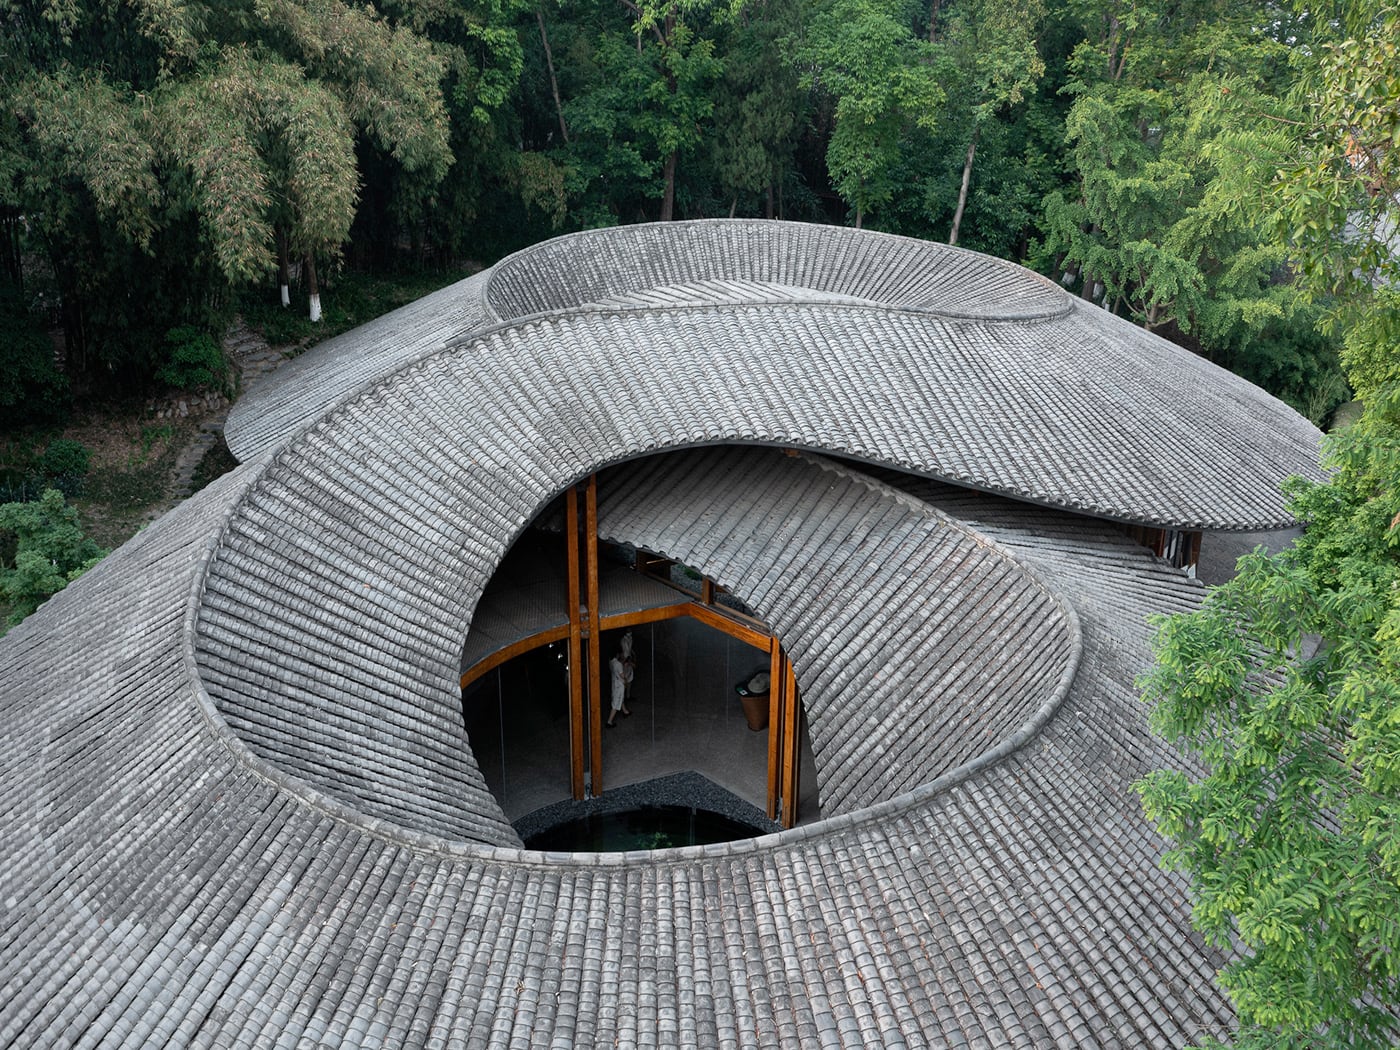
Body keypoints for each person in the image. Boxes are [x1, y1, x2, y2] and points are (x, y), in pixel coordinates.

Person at [605, 632, 635, 728]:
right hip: (619, 685)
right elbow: (622, 676)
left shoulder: (611, 662)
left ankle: (625, 712)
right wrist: (626, 682)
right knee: (616, 704)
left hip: (614, 684)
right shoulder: (618, 665)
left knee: (619, 699)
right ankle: (609, 722)